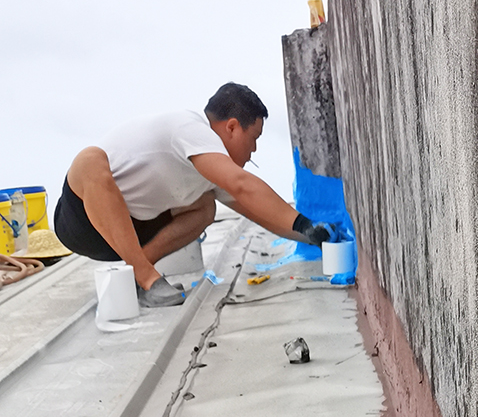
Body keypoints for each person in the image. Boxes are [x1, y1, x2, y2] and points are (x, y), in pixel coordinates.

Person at [54, 83, 333, 307]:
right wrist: (303, 222)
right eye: (254, 138)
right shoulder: (189, 128)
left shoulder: (211, 169)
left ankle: (135, 270)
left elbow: (262, 212)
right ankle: (145, 276)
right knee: (89, 160)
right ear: (232, 127)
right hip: (81, 220)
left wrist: (314, 235)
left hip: (133, 233)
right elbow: (242, 184)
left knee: (204, 207)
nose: (254, 150)